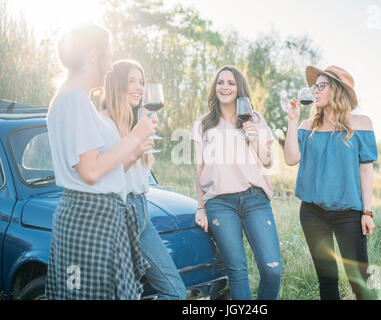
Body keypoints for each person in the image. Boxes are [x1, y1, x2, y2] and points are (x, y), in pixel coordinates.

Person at [45, 24, 156, 299]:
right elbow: (90, 171)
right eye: (109, 56)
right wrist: (133, 137)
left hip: (96, 218)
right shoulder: (75, 100)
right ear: (93, 55)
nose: (110, 67)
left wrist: (132, 152)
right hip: (89, 220)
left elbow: (101, 167)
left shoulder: (75, 99)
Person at [284, 65, 379, 300]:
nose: (314, 91)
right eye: (314, 86)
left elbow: (366, 169)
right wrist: (293, 121)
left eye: (321, 86)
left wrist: (367, 212)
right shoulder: (308, 127)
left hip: (349, 212)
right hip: (312, 213)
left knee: (360, 280)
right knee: (327, 281)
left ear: (336, 89)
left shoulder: (361, 123)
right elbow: (290, 158)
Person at [191, 65, 282, 300]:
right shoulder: (203, 124)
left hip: (255, 200)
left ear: (239, 88)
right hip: (220, 203)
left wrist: (254, 139)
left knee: (272, 270)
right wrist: (201, 207)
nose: (225, 87)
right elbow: (200, 168)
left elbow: (268, 161)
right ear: (215, 87)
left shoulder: (255, 119)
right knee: (237, 271)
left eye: (231, 83)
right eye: (220, 82)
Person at [100, 59, 186, 299]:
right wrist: (136, 148)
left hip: (141, 211)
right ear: (116, 85)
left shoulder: (136, 122)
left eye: (141, 82)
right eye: (131, 81)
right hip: (117, 214)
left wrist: (145, 135)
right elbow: (105, 176)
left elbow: (141, 171)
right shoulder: (104, 124)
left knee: (175, 291)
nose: (138, 87)